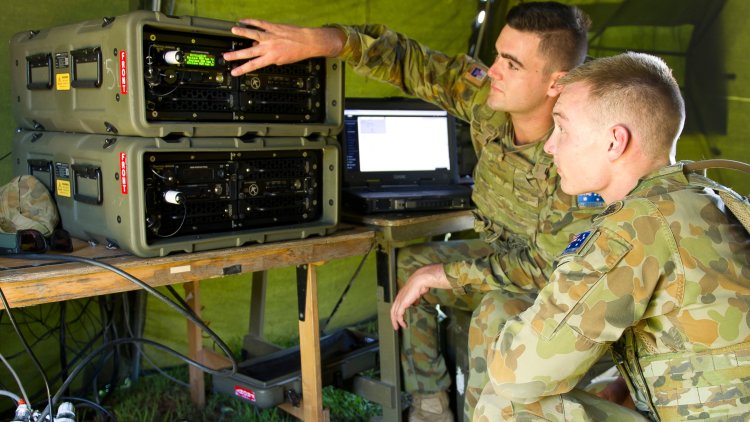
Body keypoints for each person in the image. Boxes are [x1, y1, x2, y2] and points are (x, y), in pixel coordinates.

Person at [224, 3, 599, 421]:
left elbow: (548, 269)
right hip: (503, 260)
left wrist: (446, 275)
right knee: (411, 267)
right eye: (496, 55)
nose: (492, 70)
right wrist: (321, 41)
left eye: (511, 64)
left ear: (556, 82)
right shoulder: (487, 101)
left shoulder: (579, 151)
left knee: (487, 306)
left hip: (561, 289)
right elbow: (408, 59)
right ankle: (430, 405)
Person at [473, 51, 750, 421]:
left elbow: (517, 375)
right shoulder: (700, 196)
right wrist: (623, 386)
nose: (550, 145)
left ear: (614, 142)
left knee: (505, 404)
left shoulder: (634, 226)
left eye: (562, 128)